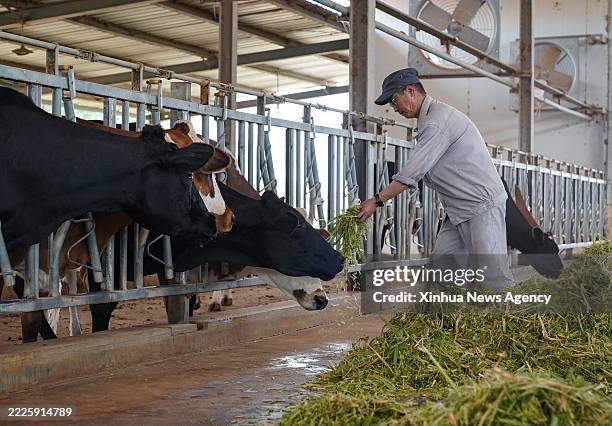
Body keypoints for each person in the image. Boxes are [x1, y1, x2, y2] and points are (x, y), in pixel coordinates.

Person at [358, 68, 513, 290]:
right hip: (459, 210)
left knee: (492, 275)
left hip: (481, 206)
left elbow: (412, 173)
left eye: (394, 101)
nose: (394, 108)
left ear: (410, 91)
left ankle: (511, 318)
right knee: (442, 268)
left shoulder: (436, 122)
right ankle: (443, 318)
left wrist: (376, 200)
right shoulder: (431, 119)